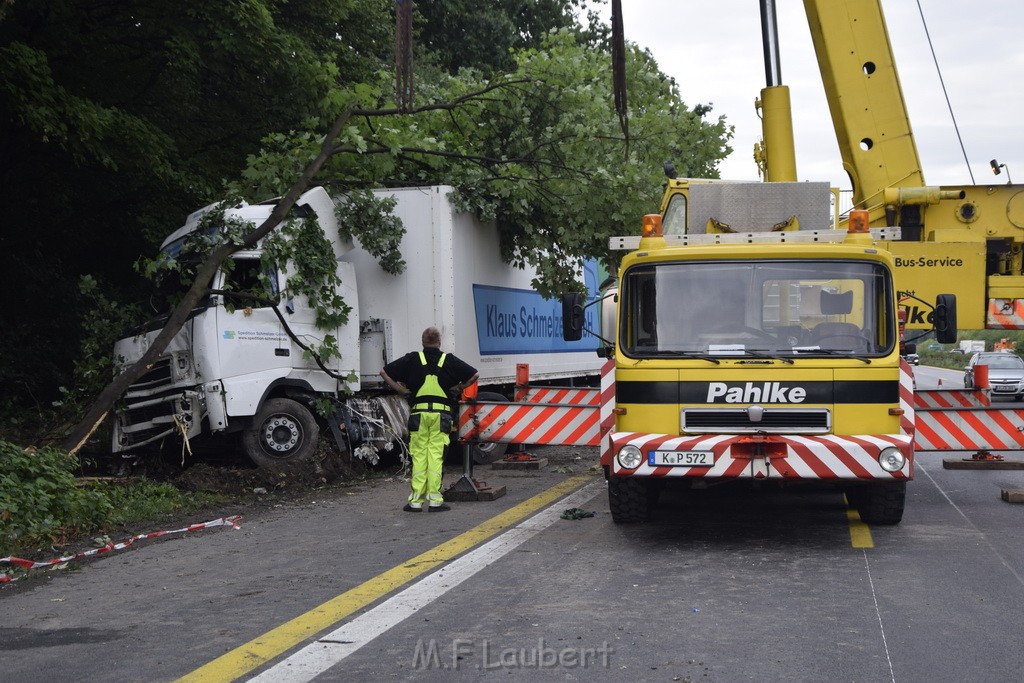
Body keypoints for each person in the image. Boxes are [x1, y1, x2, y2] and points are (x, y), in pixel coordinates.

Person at [380, 326, 478, 512]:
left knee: (419, 456)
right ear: (439, 342)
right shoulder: (448, 360)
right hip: (441, 416)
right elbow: (475, 374)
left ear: (423, 342)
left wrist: (400, 389)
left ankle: (415, 502)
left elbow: (384, 372)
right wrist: (458, 388)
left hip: (419, 415)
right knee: (435, 456)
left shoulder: (413, 359)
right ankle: (435, 500)